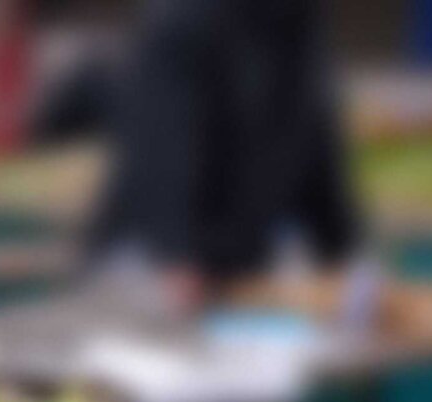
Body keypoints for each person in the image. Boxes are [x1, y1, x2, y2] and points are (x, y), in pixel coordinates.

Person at [86, 0, 359, 308]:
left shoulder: (300, 23)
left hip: (239, 262)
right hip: (154, 258)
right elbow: (160, 140)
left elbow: (314, 143)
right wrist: (175, 251)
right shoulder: (186, 18)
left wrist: (340, 251)